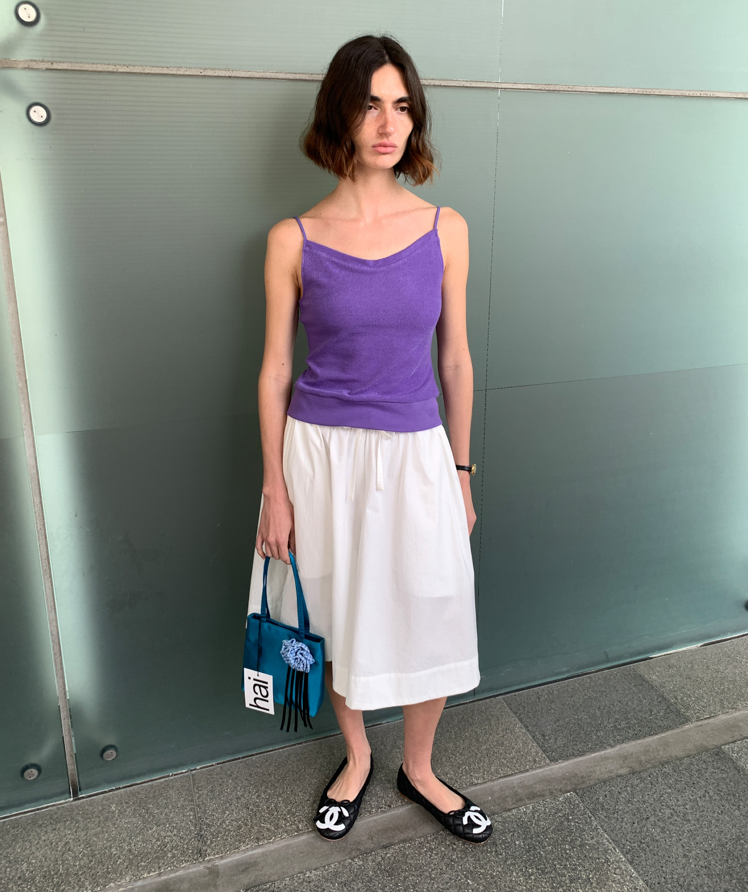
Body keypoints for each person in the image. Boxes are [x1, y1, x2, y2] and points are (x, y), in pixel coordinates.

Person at [247, 33, 492, 845]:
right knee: (335, 612)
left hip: (417, 452)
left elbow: (455, 360)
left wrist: (461, 471)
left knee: (434, 604)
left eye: (402, 105)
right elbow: (275, 371)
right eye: (369, 105)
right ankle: (356, 757)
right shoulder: (293, 238)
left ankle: (419, 768)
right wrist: (274, 488)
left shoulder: (446, 228)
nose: (388, 124)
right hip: (319, 456)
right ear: (340, 116)